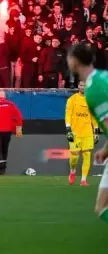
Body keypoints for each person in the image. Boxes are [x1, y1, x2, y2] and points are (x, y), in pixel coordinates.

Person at [67, 42, 108, 223]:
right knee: (100, 207)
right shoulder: (102, 76)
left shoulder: (93, 89)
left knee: (101, 207)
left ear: (74, 61)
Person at [66, 81, 100, 186]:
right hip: (75, 132)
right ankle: (72, 171)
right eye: (81, 85)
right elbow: (68, 114)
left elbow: (93, 117)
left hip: (87, 132)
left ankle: (83, 180)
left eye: (85, 86)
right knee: (74, 157)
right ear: (78, 86)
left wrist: (96, 131)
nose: (83, 87)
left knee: (87, 154)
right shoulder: (72, 99)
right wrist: (68, 129)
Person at [0, 90, 23, 175]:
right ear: (5, 97)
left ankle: (1, 168)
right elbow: (19, 117)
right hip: (7, 131)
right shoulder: (11, 105)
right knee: (4, 150)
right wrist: (18, 132)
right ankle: (2, 170)